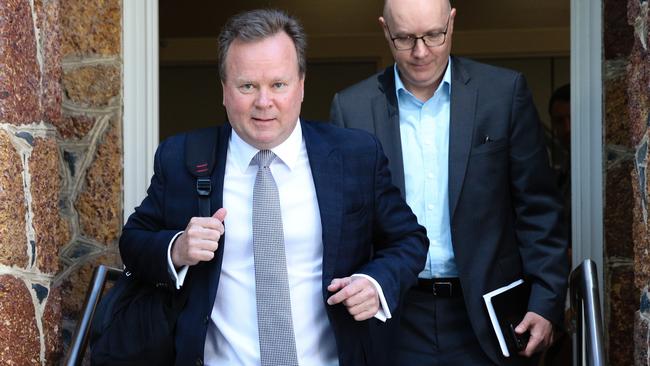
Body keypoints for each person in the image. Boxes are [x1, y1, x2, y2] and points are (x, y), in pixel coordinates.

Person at [119, 8, 428, 366]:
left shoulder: (354, 155)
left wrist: (375, 284)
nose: (263, 102)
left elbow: (409, 240)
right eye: (247, 86)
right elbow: (133, 242)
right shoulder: (182, 158)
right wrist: (177, 248)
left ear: (300, 85)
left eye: (278, 85)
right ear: (224, 90)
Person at [329, 0, 569, 364]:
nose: (421, 51)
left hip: (491, 317)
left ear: (452, 23)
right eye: (405, 38)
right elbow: (345, 225)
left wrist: (546, 301)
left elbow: (537, 209)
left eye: (434, 35)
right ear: (384, 31)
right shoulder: (352, 109)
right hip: (394, 314)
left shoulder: (503, 95)